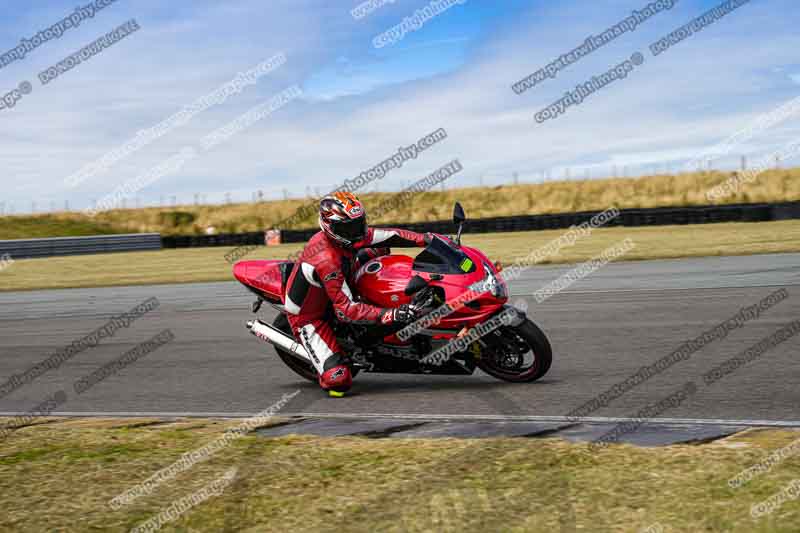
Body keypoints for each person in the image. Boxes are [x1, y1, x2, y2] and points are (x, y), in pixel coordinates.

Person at [284, 191, 430, 396]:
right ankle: (327, 366)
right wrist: (390, 314)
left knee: (381, 247)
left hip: (341, 280)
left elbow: (394, 235)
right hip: (310, 316)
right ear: (330, 226)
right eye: (348, 228)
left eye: (358, 224)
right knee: (339, 382)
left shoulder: (350, 236)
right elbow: (346, 310)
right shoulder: (327, 260)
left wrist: (429, 239)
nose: (356, 232)